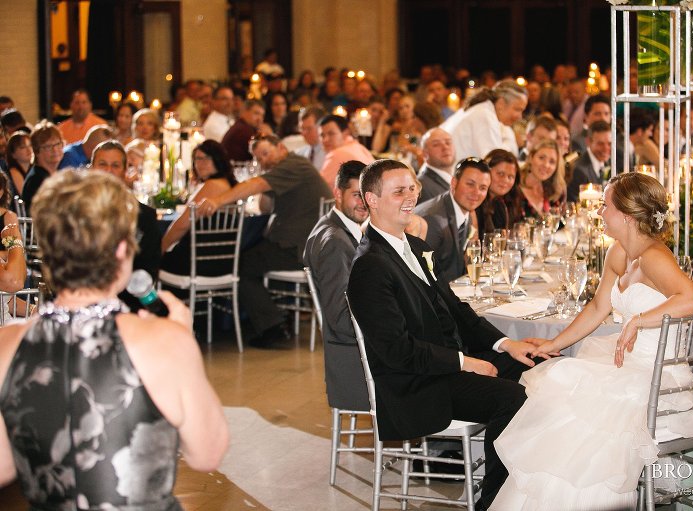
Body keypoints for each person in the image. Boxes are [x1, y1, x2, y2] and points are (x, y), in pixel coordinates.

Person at [0, 170, 228, 510]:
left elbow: (3, 467)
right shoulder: (162, 341)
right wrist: (185, 343)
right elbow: (208, 452)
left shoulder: (6, 345)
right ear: (122, 249)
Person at [491, 172, 693, 510]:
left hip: (658, 376)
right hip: (626, 365)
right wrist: (552, 344)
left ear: (626, 214)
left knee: (580, 412)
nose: (599, 213)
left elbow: (692, 300)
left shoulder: (654, 256)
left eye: (604, 206)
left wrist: (639, 320)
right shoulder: (619, 253)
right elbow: (597, 307)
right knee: (563, 391)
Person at [347, 159, 543, 510]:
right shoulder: (369, 266)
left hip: (443, 367)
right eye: (398, 191)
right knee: (512, 398)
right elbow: (396, 350)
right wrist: (465, 362)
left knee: (535, 367)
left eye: (412, 188)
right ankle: (494, 502)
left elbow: (456, 310)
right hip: (415, 384)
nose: (410, 197)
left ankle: (529, 485)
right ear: (371, 200)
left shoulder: (415, 248)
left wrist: (506, 344)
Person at [197, 135, 331, 346]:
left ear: (281, 147)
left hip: (299, 247)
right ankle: (275, 318)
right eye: (259, 158)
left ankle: (272, 326)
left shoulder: (293, 165)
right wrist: (267, 182)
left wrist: (217, 200)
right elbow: (264, 208)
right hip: (306, 243)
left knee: (239, 265)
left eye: (266, 154)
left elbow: (254, 185)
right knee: (248, 259)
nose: (264, 161)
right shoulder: (287, 169)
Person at [303, 160, 370, 411]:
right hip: (356, 365)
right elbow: (342, 320)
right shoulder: (335, 242)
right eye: (356, 195)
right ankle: (438, 442)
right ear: (338, 193)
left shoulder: (338, 229)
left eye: (366, 195)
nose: (363, 202)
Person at [90, 140, 161, 311]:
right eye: (102, 164)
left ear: (124, 171)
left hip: (130, 302)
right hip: (84, 298)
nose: (108, 171)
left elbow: (148, 269)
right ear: (91, 168)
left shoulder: (145, 216)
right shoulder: (75, 213)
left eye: (115, 165)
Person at [161, 140, 237, 275]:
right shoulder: (227, 184)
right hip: (221, 261)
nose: (200, 164)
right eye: (197, 159)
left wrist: (160, 248)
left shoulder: (213, 185)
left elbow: (182, 225)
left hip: (198, 263)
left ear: (218, 160)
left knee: (145, 259)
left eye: (206, 158)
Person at [415, 157, 491, 282]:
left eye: (483, 188)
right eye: (470, 184)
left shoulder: (464, 209)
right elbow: (422, 278)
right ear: (454, 183)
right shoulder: (433, 220)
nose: (476, 192)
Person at [441, 80, 527, 161]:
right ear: (501, 103)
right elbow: (492, 162)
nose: (519, 117)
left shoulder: (481, 110)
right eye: (517, 109)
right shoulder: (485, 116)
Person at [510, 138, 566, 221]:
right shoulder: (512, 186)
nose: (546, 165)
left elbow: (561, 226)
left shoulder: (554, 191)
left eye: (552, 162)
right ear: (531, 157)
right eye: (541, 158)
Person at [318, 115, 374, 189]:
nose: (325, 139)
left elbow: (318, 187)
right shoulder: (359, 147)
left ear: (346, 133)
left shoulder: (337, 154)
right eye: (322, 135)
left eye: (331, 134)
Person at [566, 119, 612, 202]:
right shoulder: (579, 170)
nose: (606, 149)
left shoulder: (609, 163)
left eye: (609, 144)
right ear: (588, 142)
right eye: (600, 144)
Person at [22, 120, 64, 208]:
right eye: (48, 146)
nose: (55, 150)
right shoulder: (36, 180)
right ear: (37, 151)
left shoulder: (53, 174)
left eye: (57, 144)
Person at [477, 149, 518, 235]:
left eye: (510, 177)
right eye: (500, 174)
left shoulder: (501, 205)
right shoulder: (474, 201)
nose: (505, 180)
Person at [416, 127, 455, 204]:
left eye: (448, 142)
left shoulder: (458, 178)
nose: (445, 147)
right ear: (424, 154)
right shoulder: (421, 188)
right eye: (436, 144)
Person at [4, 131, 33, 201]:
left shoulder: (34, 167)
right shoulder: (14, 172)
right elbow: (27, 199)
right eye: (23, 147)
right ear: (13, 154)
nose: (29, 150)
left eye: (30, 145)